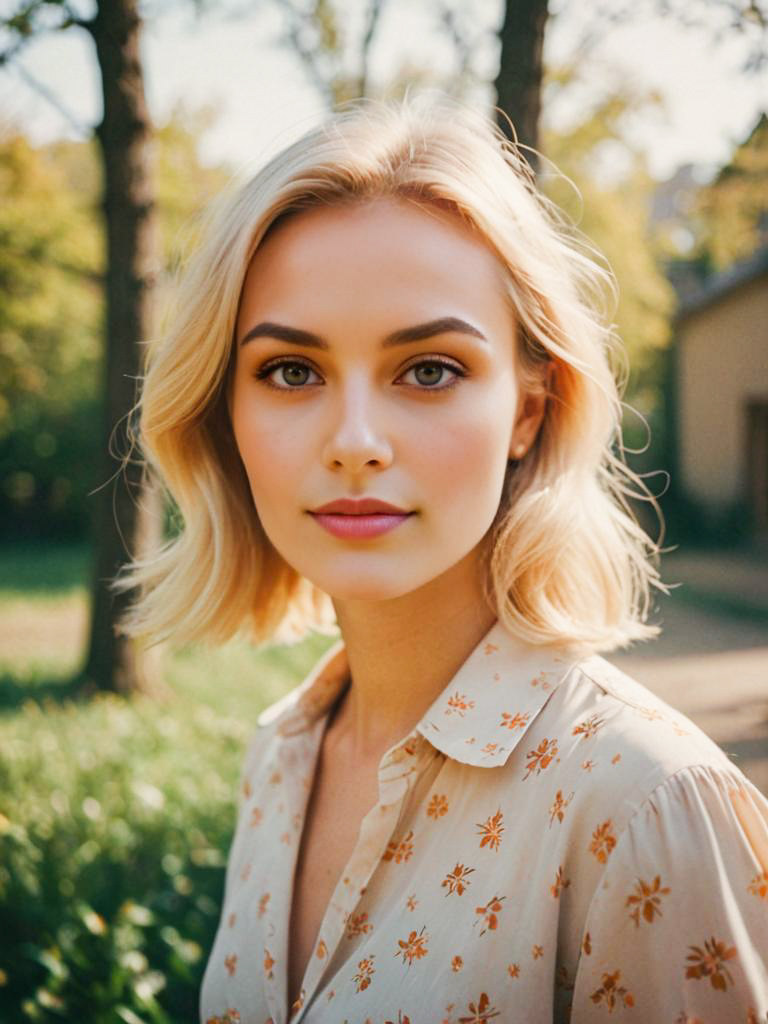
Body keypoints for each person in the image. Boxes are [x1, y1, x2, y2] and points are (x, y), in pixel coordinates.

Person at [114, 92, 768, 1023]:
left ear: (530, 410)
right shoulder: (280, 759)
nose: (355, 442)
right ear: (227, 412)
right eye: (291, 372)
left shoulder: (649, 806)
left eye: (429, 370)